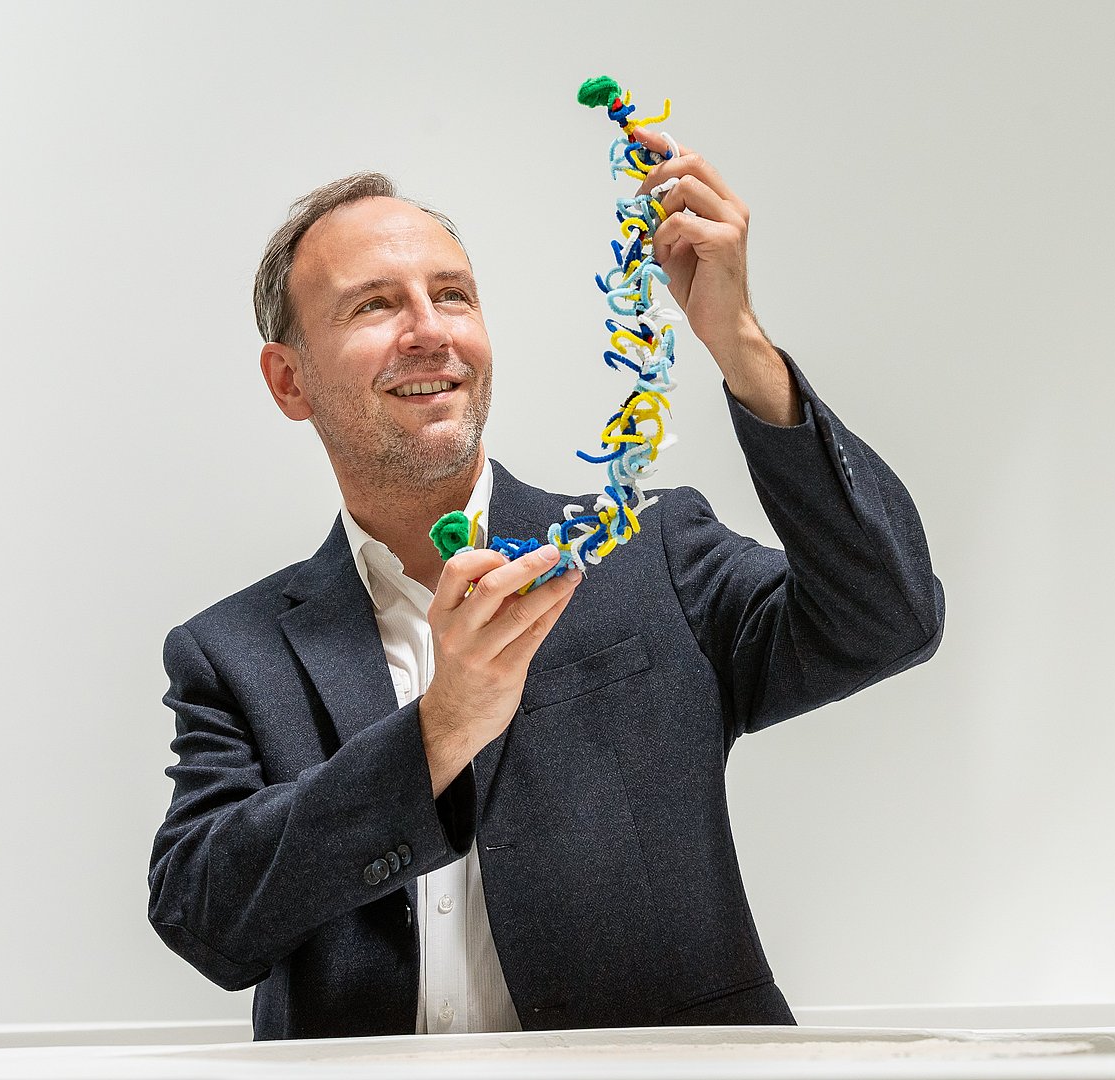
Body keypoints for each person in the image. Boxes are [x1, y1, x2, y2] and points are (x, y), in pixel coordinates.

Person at [148, 130, 945, 1041]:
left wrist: (740, 342)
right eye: (375, 305)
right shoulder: (233, 652)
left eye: (453, 296)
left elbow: (890, 616)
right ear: (289, 382)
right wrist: (441, 728)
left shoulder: (650, 550)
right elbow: (204, 918)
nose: (430, 331)